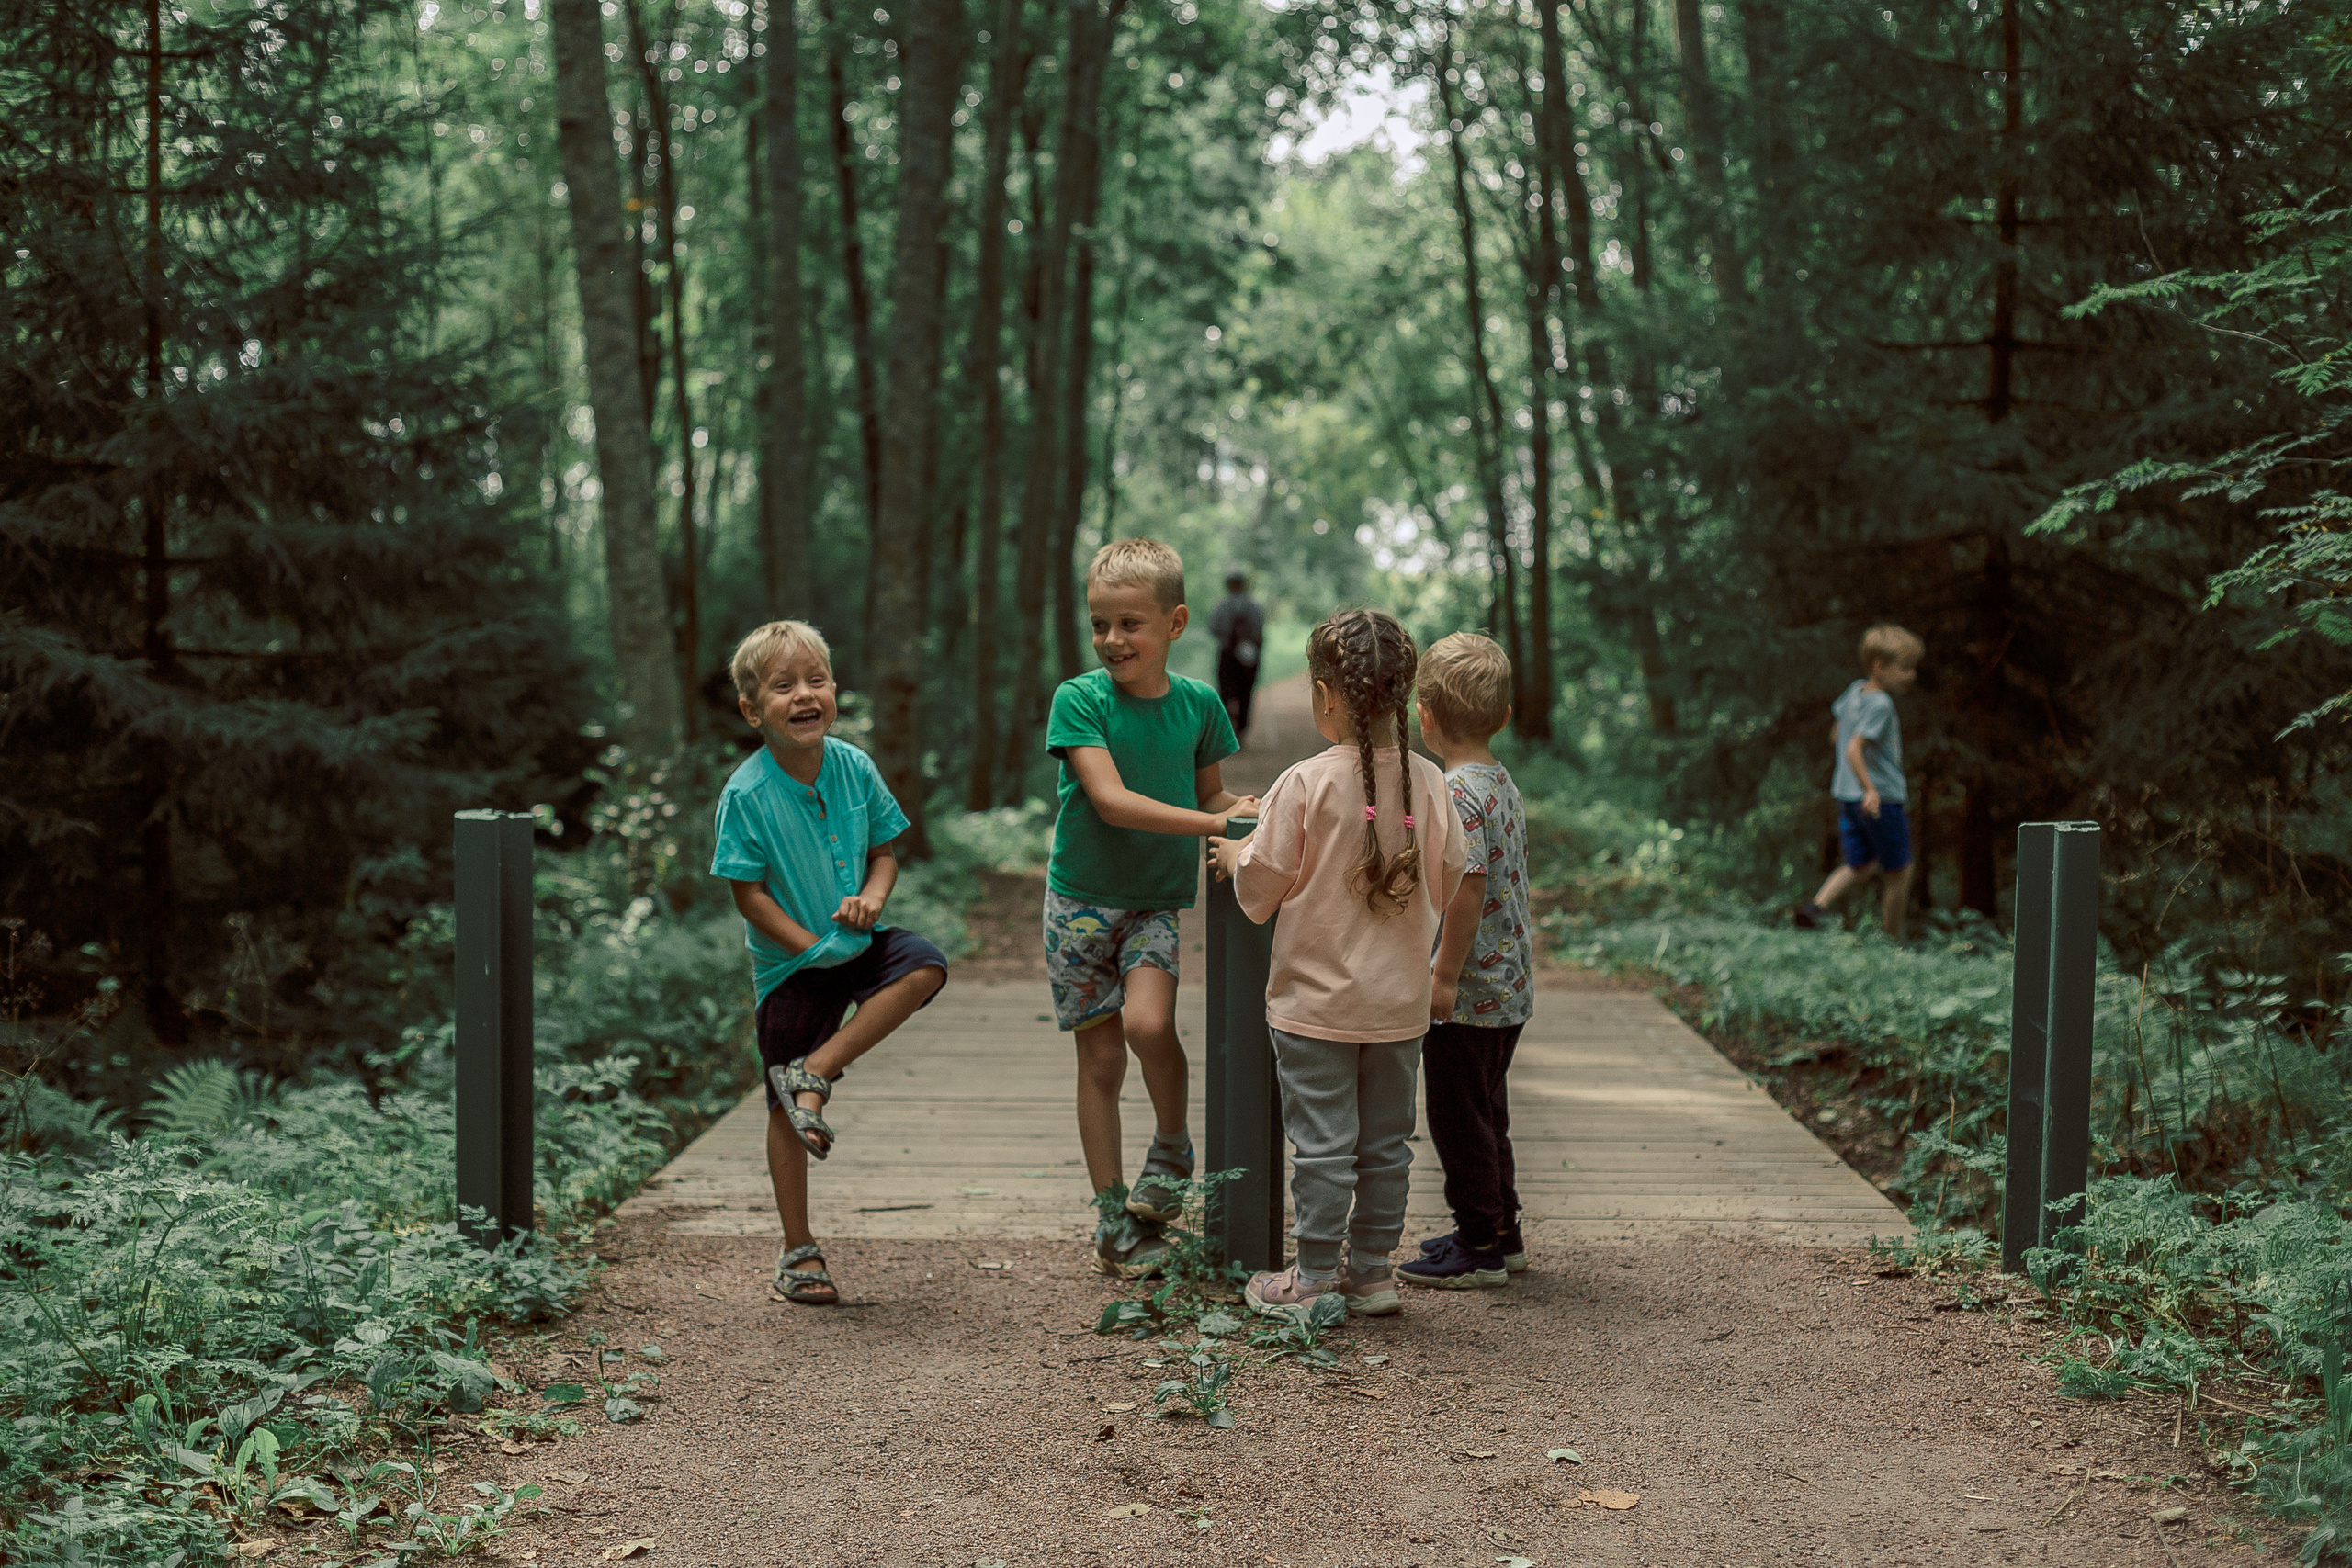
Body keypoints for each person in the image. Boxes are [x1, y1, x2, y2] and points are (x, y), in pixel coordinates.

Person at [1209, 608, 1467, 1323]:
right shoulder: (1430, 782)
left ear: (1326, 695)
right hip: (1398, 1007)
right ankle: (1374, 1273)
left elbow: (1261, 883)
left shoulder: (1302, 784)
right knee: (1386, 1143)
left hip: (1315, 1006)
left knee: (1322, 1146)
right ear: (1404, 696)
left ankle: (1315, 1276)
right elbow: (1449, 879)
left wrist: (1233, 853)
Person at [711, 620, 949, 1306]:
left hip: (858, 943)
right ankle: (798, 1249)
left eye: (816, 680)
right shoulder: (747, 794)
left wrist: (872, 902)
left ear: (835, 690)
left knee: (925, 964)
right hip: (791, 965)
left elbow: (885, 851)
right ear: (753, 710)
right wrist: (808, 946)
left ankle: (814, 1069)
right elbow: (748, 895)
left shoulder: (854, 767)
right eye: (783, 686)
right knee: (783, 1112)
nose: (804, 694)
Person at [1046, 538, 1261, 1279]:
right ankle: (1114, 1221)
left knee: (1149, 1024)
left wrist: (1265, 811)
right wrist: (1210, 825)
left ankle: (1172, 1143)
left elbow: (1213, 798)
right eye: (1100, 623)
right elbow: (1109, 801)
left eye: (1130, 624)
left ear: (1175, 623)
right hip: (1077, 902)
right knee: (1101, 1058)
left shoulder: (1199, 705)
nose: (1111, 640)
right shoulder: (1079, 700)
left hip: (1153, 906)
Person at [1397, 633, 1534, 1291]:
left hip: (1470, 989)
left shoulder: (1455, 794)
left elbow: (1469, 884)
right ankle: (1502, 1232)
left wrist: (1442, 974)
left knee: (1458, 1118)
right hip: (1508, 987)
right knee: (1488, 1112)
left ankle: (1477, 1241)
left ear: (1424, 716)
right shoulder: (1499, 782)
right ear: (1503, 717)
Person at [1794, 624, 1925, 939]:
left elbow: (1836, 735)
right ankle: (1892, 943)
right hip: (1880, 798)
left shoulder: (1854, 691)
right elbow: (1854, 747)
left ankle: (1814, 909)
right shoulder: (1881, 704)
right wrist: (1871, 789)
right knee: (1900, 870)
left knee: (1861, 864)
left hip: (1847, 796)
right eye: (1905, 668)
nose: (1912, 676)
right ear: (1879, 665)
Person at [1207, 569, 1267, 742]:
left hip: (1227, 656)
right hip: (1249, 657)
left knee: (1225, 692)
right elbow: (1260, 631)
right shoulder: (1254, 606)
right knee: (1246, 693)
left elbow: (1213, 630)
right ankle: (1241, 730)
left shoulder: (1221, 606)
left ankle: (1227, 732)